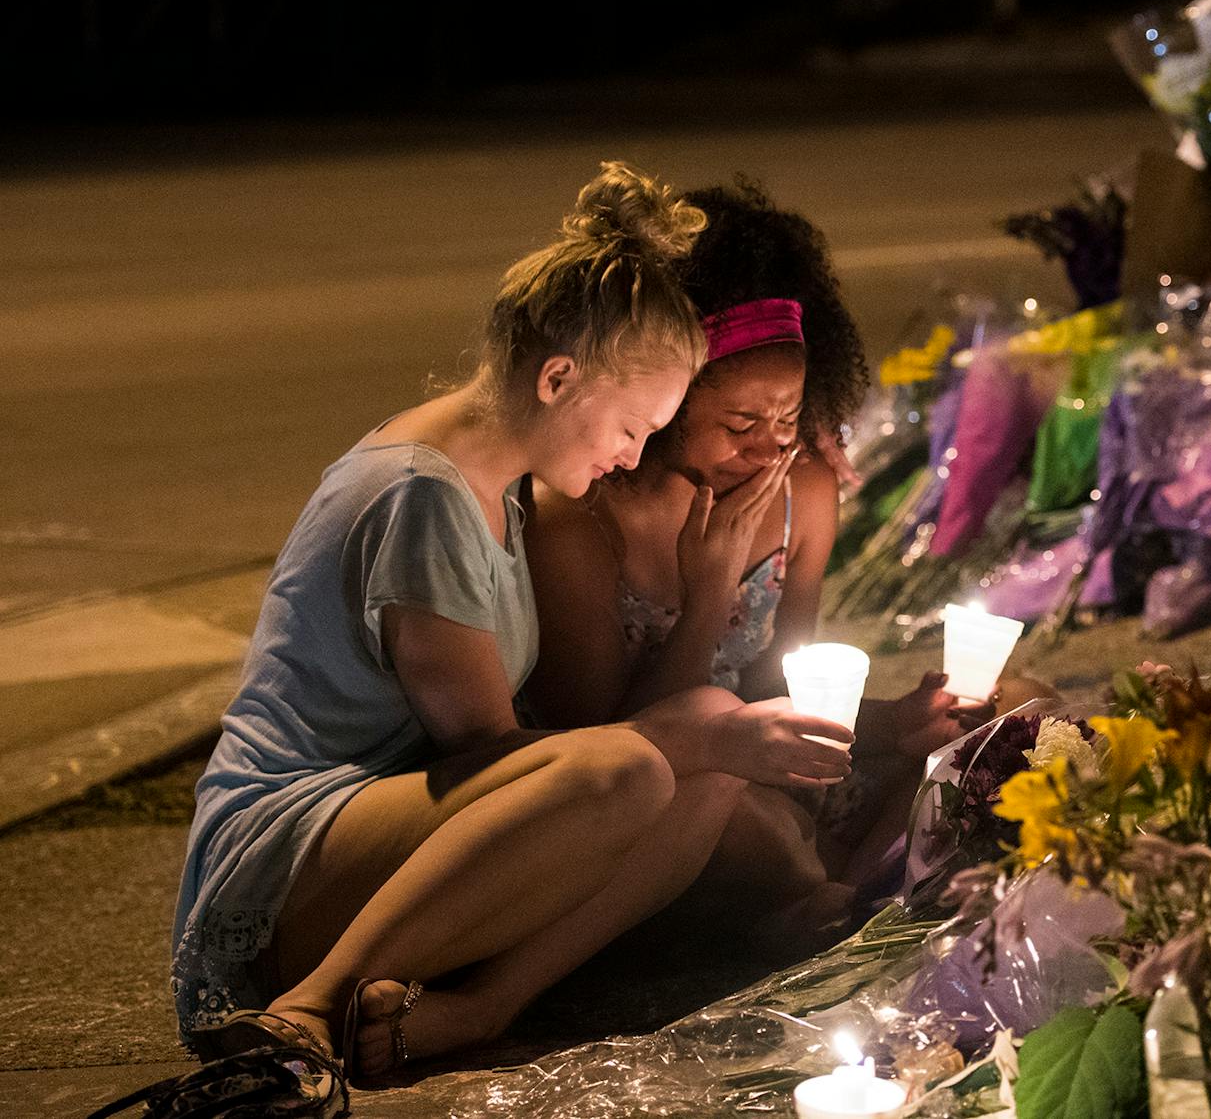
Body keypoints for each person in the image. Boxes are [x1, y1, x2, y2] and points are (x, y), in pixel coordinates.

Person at [170, 163, 855, 1083]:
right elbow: (491, 755)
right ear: (560, 377)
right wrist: (676, 730)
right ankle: (310, 1004)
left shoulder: (500, 483)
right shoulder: (426, 496)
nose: (632, 455)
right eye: (631, 427)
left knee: (703, 768)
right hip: (291, 853)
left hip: (402, 842)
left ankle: (479, 1006)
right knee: (630, 763)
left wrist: (702, 740)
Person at [524, 180, 965, 925]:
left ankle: (843, 897)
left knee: (1015, 718)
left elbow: (778, 685)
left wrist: (896, 722)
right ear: (664, 401)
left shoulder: (804, 492)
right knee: (740, 820)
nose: (769, 447)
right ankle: (848, 897)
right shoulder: (580, 520)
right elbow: (609, 758)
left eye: (789, 417)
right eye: (740, 421)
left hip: (774, 775)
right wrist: (710, 593)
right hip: (671, 801)